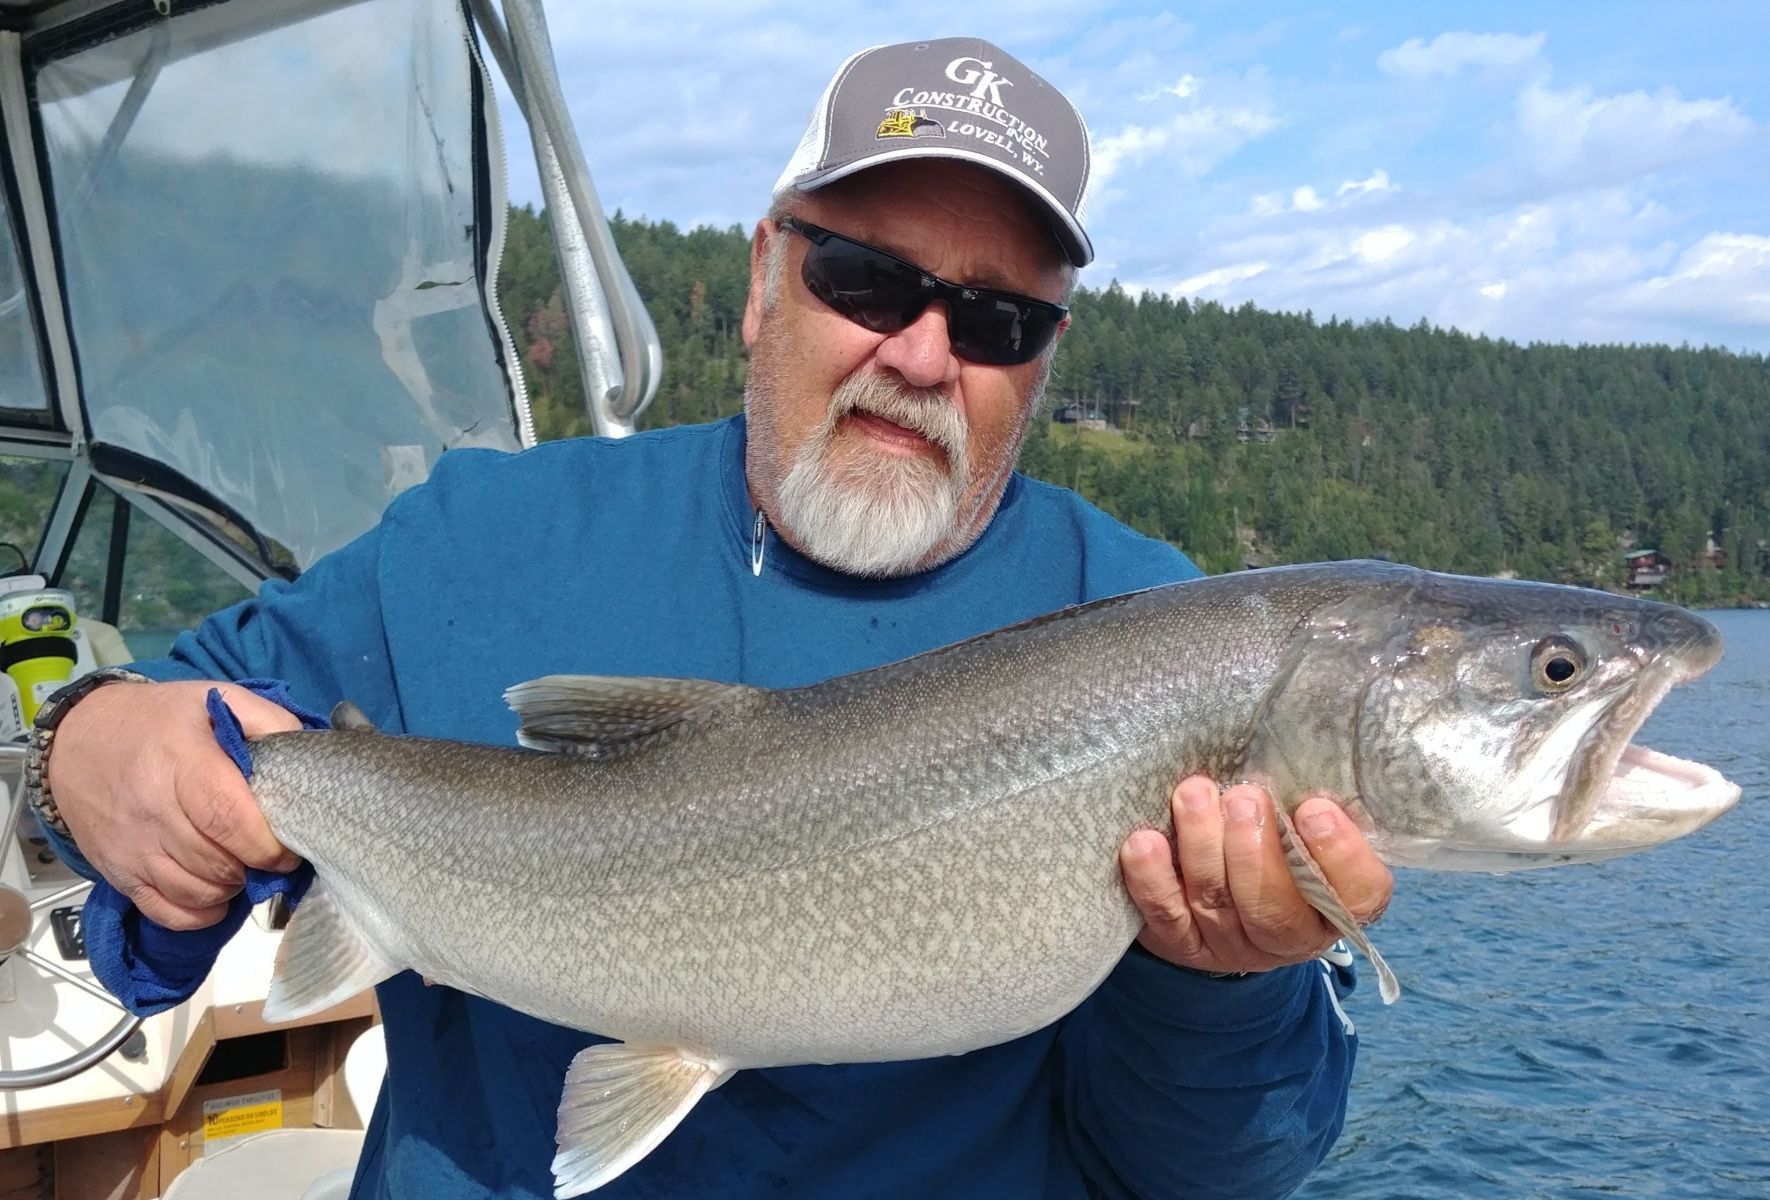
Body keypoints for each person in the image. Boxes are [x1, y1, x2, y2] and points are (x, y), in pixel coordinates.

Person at [29, 37, 1391, 1200]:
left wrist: (1222, 981)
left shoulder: (1158, 631)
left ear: (1044, 362)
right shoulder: (472, 542)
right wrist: (88, 750)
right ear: (760, 277)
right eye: (863, 279)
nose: (919, 355)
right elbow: (150, 829)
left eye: (991, 322)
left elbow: (1211, 1170)